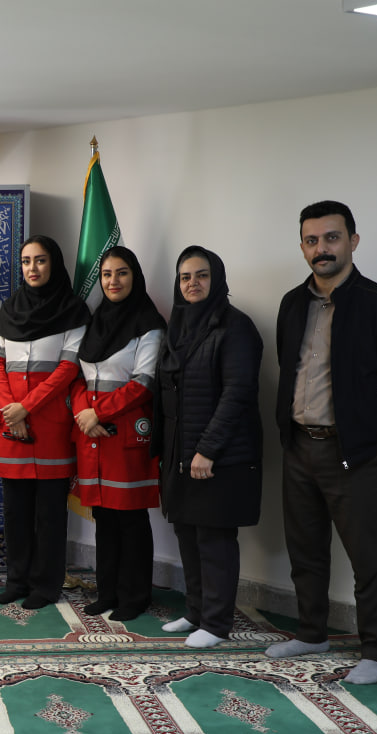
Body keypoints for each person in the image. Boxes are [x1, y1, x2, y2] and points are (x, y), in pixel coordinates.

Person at [267, 200, 377, 684]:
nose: (322, 248)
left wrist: (371, 421)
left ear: (353, 241)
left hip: (352, 452)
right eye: (312, 240)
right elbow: (289, 366)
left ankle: (376, 652)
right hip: (299, 446)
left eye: (332, 237)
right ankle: (311, 633)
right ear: (302, 247)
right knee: (305, 549)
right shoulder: (291, 304)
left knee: (368, 556)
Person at [155, 247, 263, 649]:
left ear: (216, 279)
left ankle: (216, 624)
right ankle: (196, 611)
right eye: (185, 277)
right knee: (187, 532)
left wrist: (208, 449)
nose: (193, 283)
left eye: (201, 275)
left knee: (214, 539)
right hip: (180, 453)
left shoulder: (236, 327)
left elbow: (238, 393)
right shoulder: (178, 325)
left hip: (219, 456)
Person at [0, 235, 89, 609]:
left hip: (49, 429)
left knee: (49, 515)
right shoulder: (9, 308)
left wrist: (25, 408)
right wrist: (9, 408)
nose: (33, 268)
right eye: (26, 261)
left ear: (54, 264)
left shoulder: (73, 311)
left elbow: (67, 369)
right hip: (11, 427)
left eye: (41, 260)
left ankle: (46, 586)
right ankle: (17, 581)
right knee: (16, 513)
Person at [72, 246, 166, 623]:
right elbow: (78, 378)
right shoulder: (94, 322)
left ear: (135, 276)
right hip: (92, 434)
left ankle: (135, 596)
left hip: (126, 435)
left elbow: (143, 383)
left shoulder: (149, 324)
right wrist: (83, 413)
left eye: (122, 273)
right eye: (107, 274)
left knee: (131, 519)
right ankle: (107, 591)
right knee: (104, 518)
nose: (113, 281)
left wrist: (98, 412)